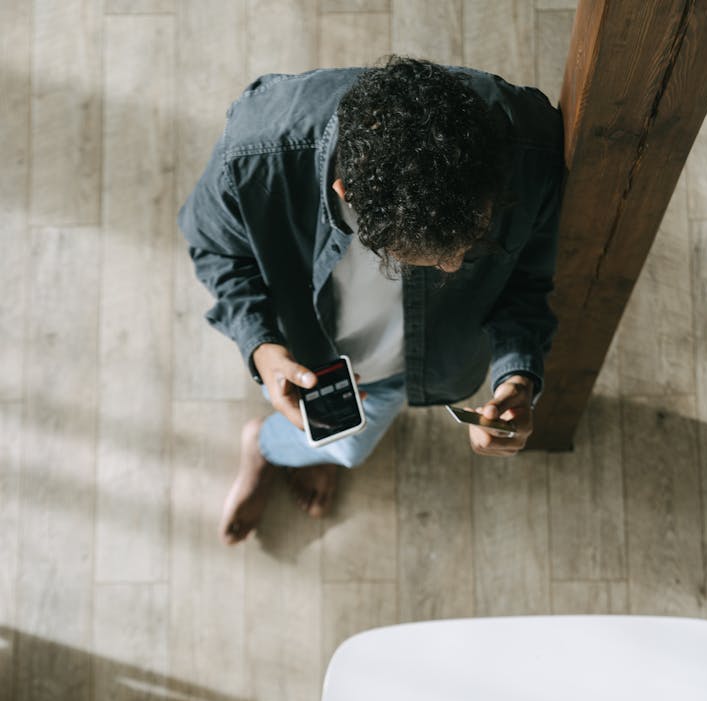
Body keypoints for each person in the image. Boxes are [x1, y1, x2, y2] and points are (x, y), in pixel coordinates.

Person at [178, 57, 563, 544]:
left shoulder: (533, 152)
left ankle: (299, 450)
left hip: (419, 361)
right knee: (344, 448)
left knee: (345, 446)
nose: (453, 268)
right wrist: (262, 347)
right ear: (347, 195)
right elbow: (216, 251)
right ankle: (267, 446)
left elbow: (527, 281)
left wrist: (518, 377)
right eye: (426, 257)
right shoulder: (256, 154)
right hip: (307, 349)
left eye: (473, 243)